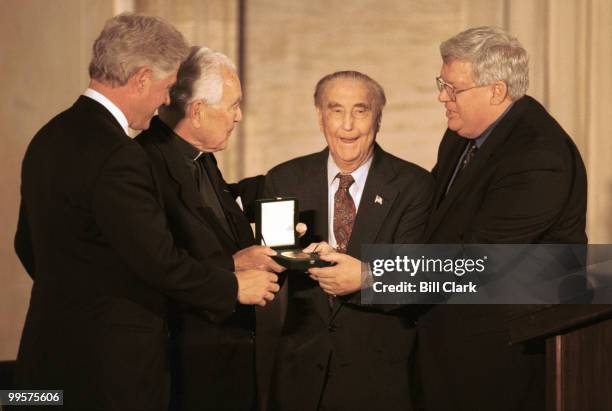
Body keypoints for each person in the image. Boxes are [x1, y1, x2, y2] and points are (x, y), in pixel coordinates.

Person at [13, 14, 278, 411]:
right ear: (141, 79)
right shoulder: (120, 155)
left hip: (44, 364)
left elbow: (26, 245)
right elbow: (159, 261)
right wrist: (233, 286)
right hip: (110, 371)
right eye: (167, 87)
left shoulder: (48, 137)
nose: (167, 102)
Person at [416, 26, 587, 411]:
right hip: (447, 346)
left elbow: (477, 258)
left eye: (453, 88)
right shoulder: (461, 135)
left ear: (496, 90)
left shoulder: (540, 155)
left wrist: (375, 275)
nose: (442, 96)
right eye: (441, 83)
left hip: (498, 360)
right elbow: (429, 209)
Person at [257, 71, 434, 411]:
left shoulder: (415, 185)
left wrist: (365, 277)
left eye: (361, 110)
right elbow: (270, 273)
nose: (348, 125)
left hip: (382, 380)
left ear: (378, 117)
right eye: (336, 110)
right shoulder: (284, 179)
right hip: (300, 379)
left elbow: (418, 282)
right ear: (320, 116)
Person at [135, 46, 285, 411]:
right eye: (233, 106)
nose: (239, 116)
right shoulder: (142, 164)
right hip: (186, 365)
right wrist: (233, 267)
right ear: (198, 111)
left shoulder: (201, 158)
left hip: (229, 360)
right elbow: (156, 263)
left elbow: (217, 212)